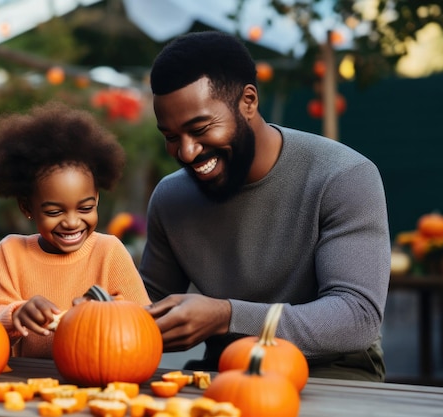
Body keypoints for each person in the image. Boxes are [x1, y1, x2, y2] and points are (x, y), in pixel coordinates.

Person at [140, 31, 391, 381]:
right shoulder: (171, 198)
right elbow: (146, 307)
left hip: (332, 370)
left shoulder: (342, 176)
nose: (186, 152)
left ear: (248, 101)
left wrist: (227, 316)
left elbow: (356, 317)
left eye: (200, 128)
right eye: (170, 137)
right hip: (223, 370)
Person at [0, 101, 151, 358]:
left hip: (98, 379)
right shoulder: (12, 251)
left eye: (85, 208)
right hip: (28, 383)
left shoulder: (109, 250)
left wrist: (103, 310)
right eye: (55, 212)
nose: (71, 222)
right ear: (27, 207)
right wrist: (17, 313)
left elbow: (144, 320)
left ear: (97, 199)